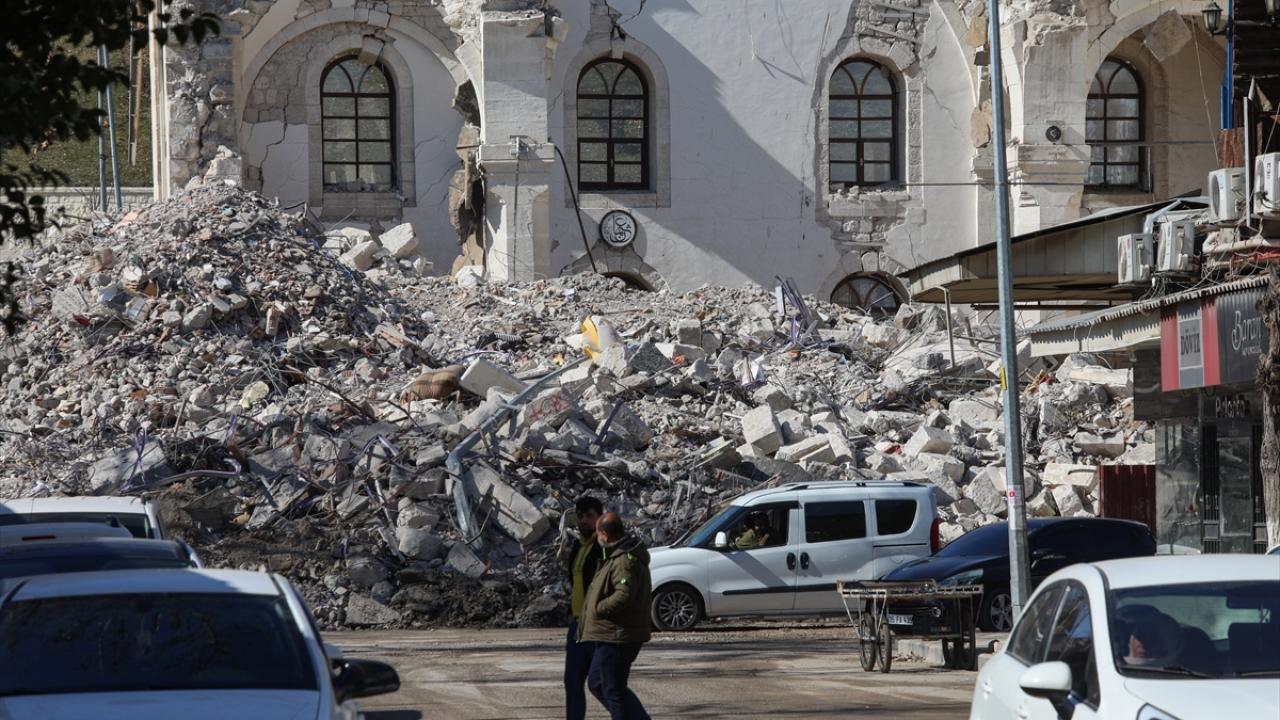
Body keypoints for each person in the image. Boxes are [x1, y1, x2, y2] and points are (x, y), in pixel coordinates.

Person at [580, 512, 652, 720]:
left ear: (604, 534)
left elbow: (624, 595)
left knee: (613, 689)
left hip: (619, 635)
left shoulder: (623, 559)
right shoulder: (616, 554)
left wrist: (599, 608)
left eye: (598, 534)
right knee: (597, 683)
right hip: (609, 634)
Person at [564, 496, 603, 720]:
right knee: (572, 682)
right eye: (580, 516)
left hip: (597, 626)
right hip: (577, 625)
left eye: (589, 515)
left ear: (599, 517)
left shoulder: (604, 546)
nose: (583, 520)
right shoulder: (579, 545)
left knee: (602, 685)